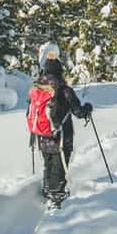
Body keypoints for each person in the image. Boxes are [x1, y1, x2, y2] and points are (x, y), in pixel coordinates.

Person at [31, 53, 92, 210]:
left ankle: (47, 190)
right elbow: (78, 112)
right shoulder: (64, 90)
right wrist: (87, 109)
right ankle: (56, 196)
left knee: (48, 164)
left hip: (42, 135)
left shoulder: (38, 88)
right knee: (59, 165)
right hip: (61, 135)